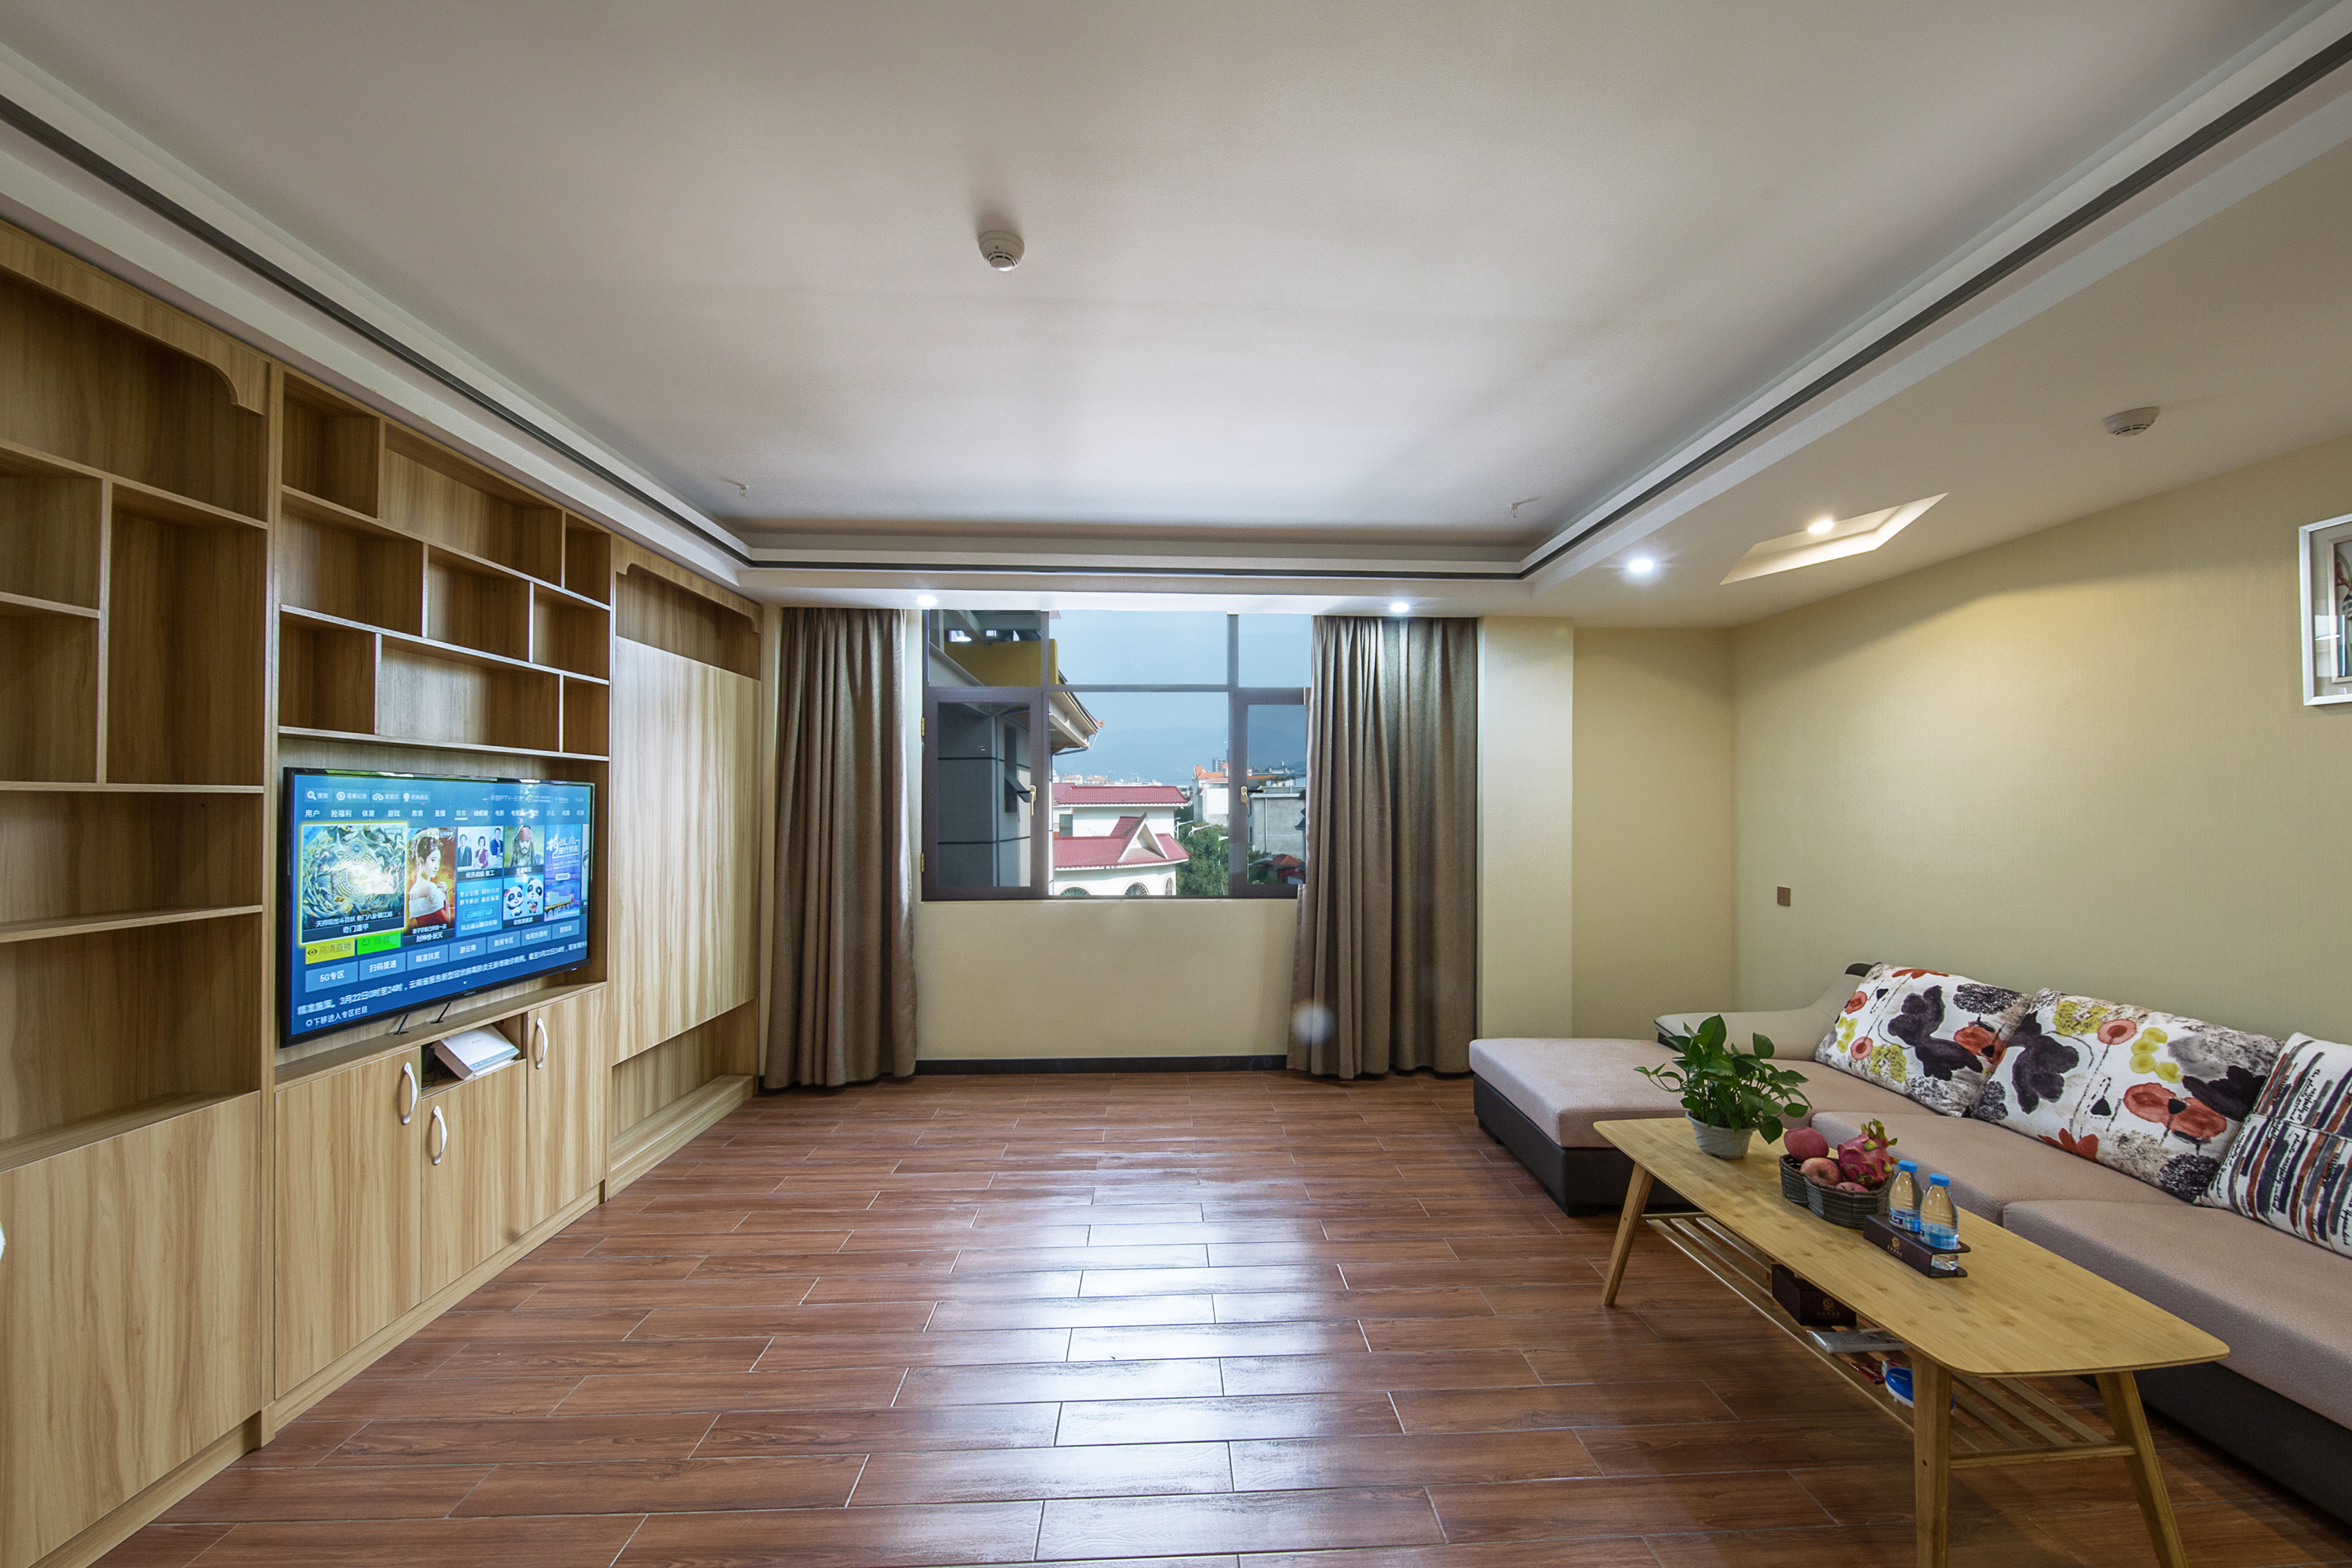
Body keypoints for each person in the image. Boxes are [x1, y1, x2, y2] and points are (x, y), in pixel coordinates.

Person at [406, 831, 451, 926]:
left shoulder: (413, 889)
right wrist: (443, 893)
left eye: (438, 861)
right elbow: (445, 923)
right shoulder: (430, 887)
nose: (436, 866)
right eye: (433, 860)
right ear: (421, 861)